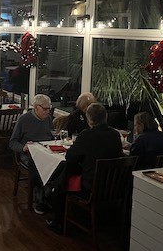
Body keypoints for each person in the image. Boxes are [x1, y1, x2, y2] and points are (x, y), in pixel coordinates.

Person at [47, 102, 124, 233]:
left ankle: (59, 220)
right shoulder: (115, 135)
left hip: (90, 188)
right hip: (113, 187)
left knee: (64, 176)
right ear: (106, 117)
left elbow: (70, 157)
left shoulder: (87, 135)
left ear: (89, 120)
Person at [9, 94, 54, 214]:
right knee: (38, 166)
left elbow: (50, 137)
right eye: (45, 109)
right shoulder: (24, 119)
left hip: (45, 151)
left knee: (59, 165)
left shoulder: (48, 119)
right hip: (29, 154)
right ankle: (40, 199)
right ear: (35, 107)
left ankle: (51, 196)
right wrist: (23, 148)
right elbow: (12, 142)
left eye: (49, 108)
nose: (48, 112)